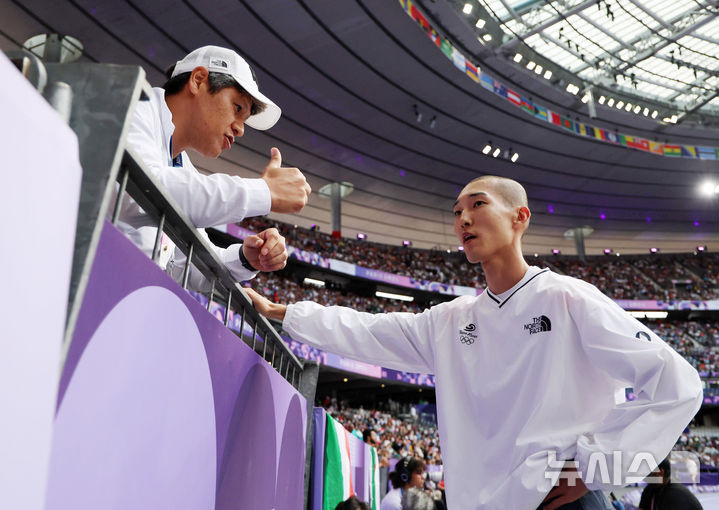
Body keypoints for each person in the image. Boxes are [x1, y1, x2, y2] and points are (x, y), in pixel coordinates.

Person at [246, 175, 702, 509]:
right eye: (457, 212)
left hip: (560, 503)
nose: (463, 218)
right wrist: (283, 312)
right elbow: (368, 330)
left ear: (519, 217)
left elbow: (679, 384)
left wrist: (595, 470)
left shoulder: (566, 298)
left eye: (477, 205)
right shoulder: (450, 321)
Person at [119, 45, 311, 289]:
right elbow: (143, 187)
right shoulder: (135, 103)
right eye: (237, 108)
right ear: (198, 81)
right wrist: (264, 192)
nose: (241, 128)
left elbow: (185, 262)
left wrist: (246, 258)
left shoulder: (180, 165)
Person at [638, 457, 703, 509]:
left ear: (660, 472)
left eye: (648, 471)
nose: (645, 475)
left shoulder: (676, 494)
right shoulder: (649, 490)